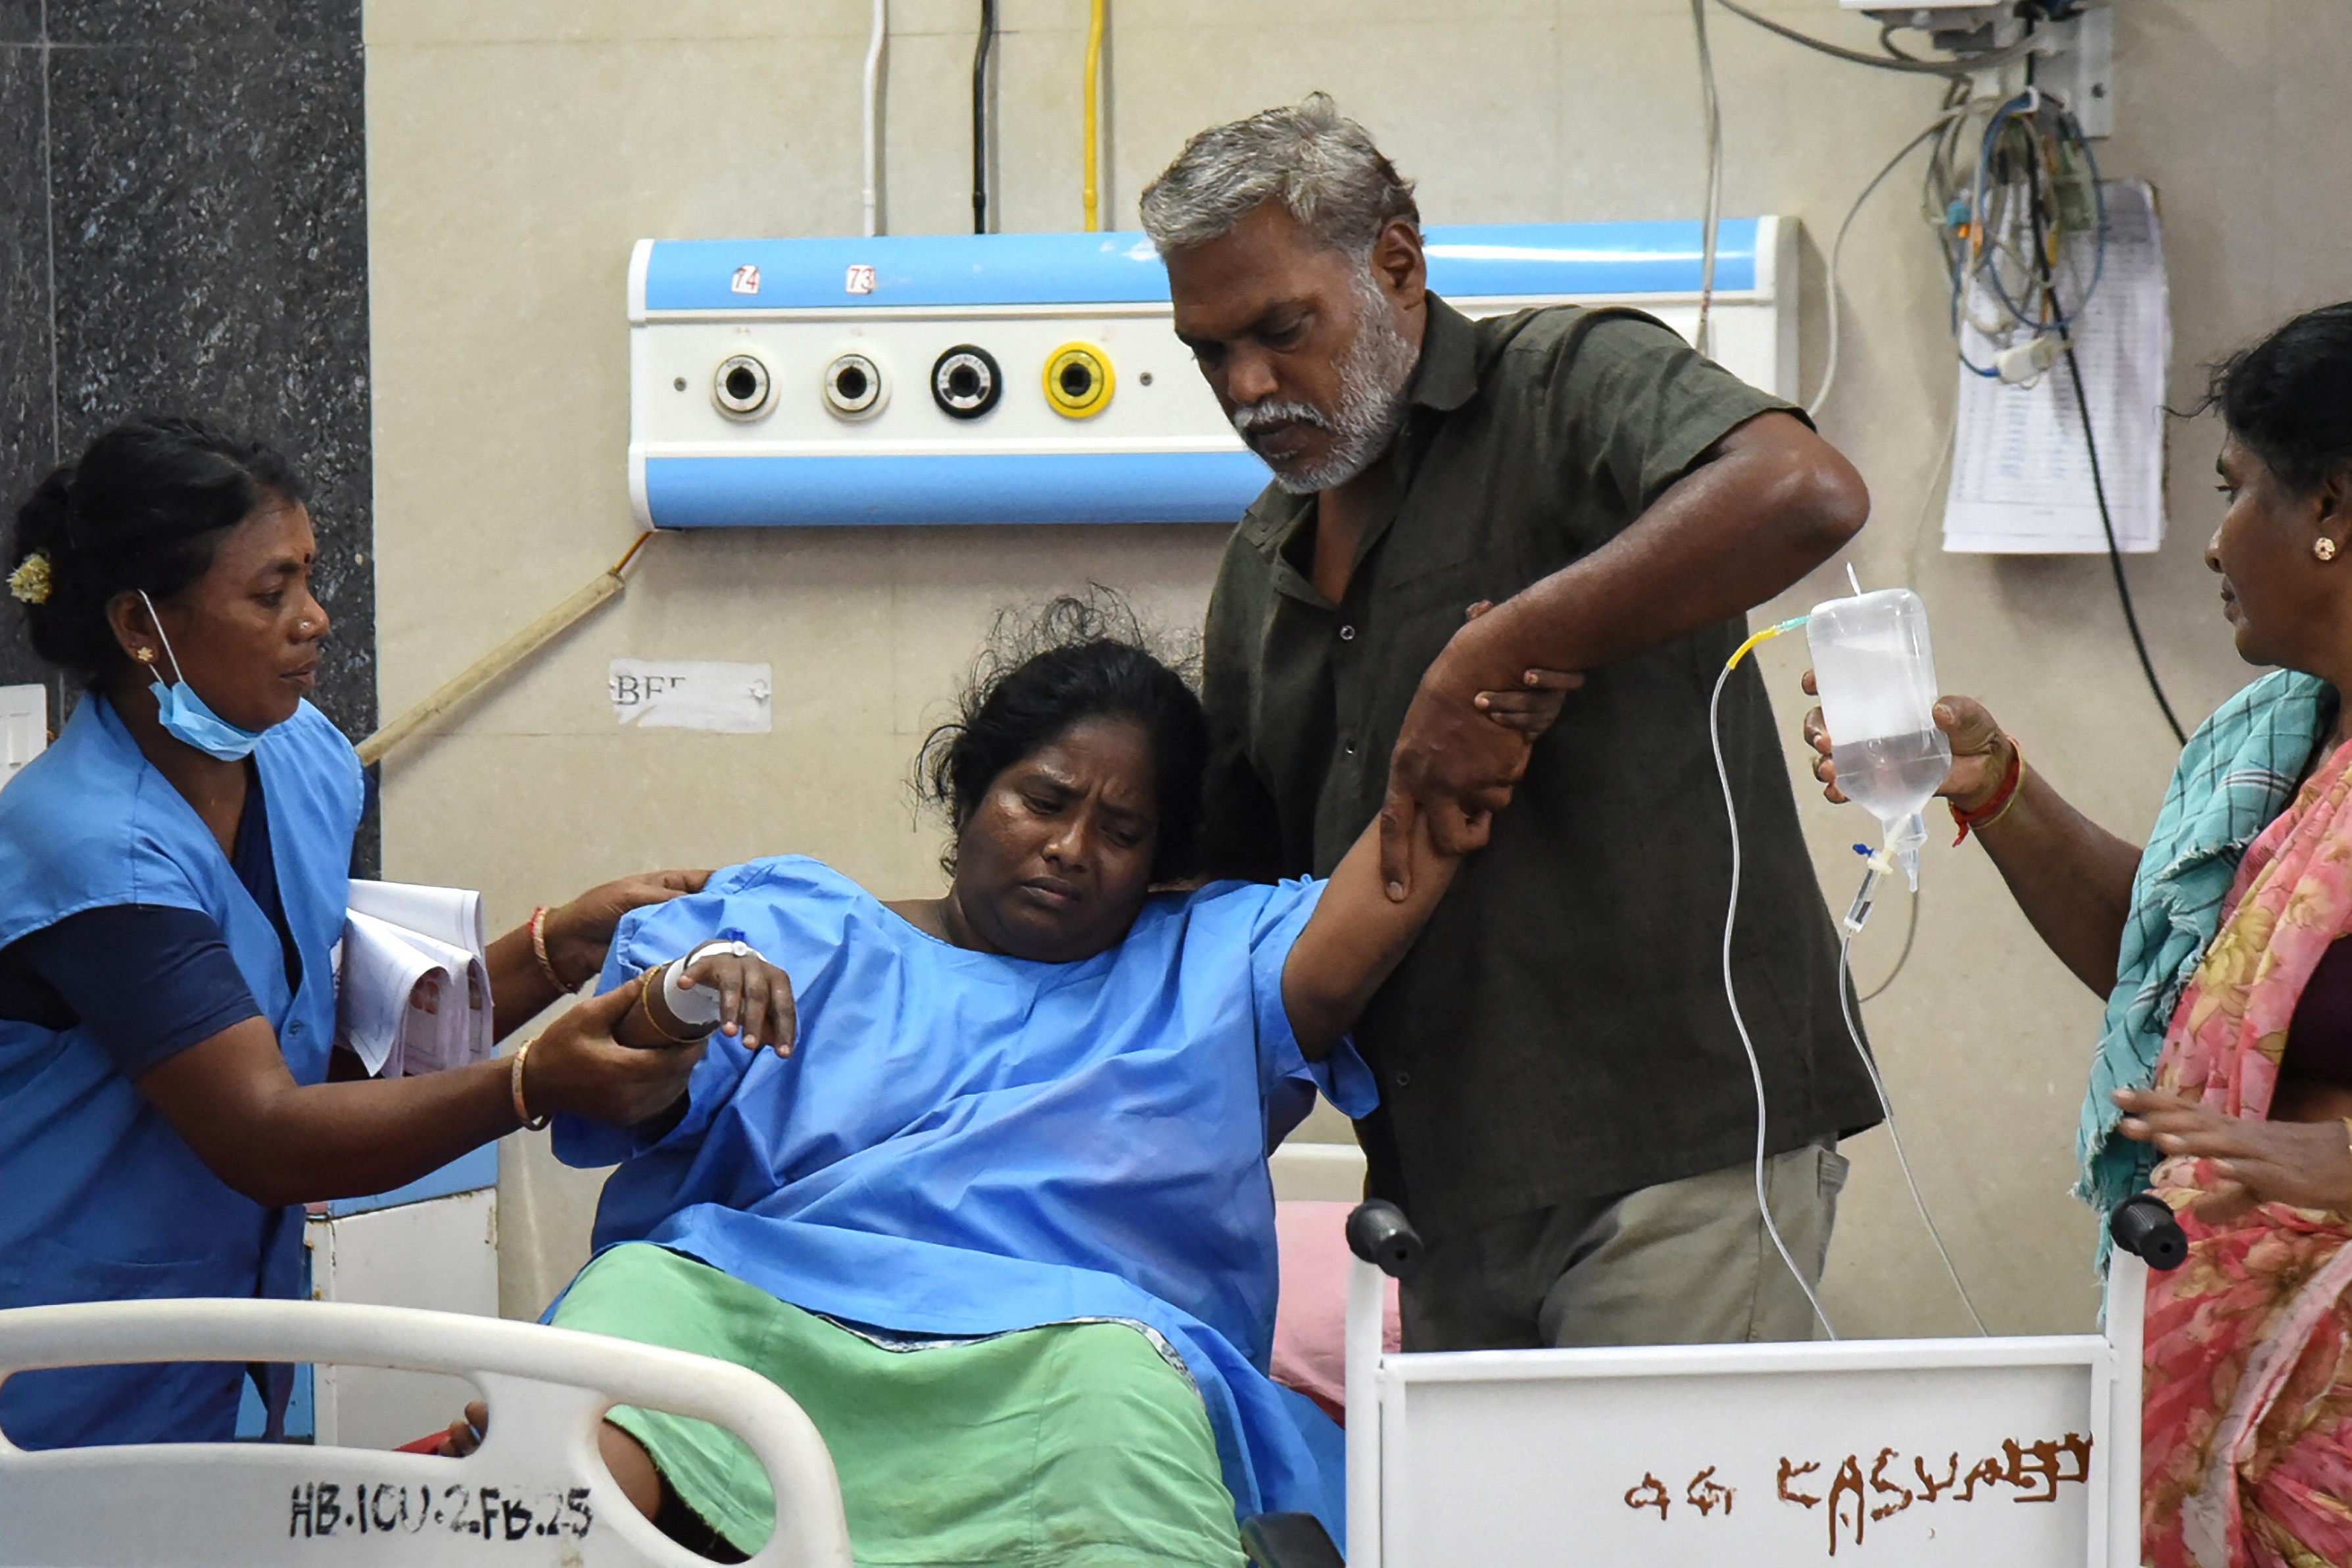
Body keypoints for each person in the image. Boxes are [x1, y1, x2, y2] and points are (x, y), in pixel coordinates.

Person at [451, 597, 1570, 1565]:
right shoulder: (788, 925)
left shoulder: (1215, 962)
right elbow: (630, 1075)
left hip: (1068, 1358)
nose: (1071, 847)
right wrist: (682, 997)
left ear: (1162, 862)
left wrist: (1457, 745)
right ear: (967, 793)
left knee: (1120, 1401)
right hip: (755, 1315)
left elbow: (1392, 867)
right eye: (1043, 800)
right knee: (624, 1313)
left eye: (1121, 829)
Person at [1138, 95, 1884, 1353]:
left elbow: (1802, 492)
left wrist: (1500, 645)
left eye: (1279, 331)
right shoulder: (1260, 566)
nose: (1248, 388)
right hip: (1436, 1193)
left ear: (1396, 263)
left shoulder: (1567, 389)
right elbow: (1236, 904)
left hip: (1674, 1154)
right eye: (1210, 353)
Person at [0, 416, 764, 1451]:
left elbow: (341, 1050)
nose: (313, 620)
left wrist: (560, 949)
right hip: (57, 1346)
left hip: (220, 1328)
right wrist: (534, 1082)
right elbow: (267, 1132)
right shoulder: (93, 847)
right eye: (271, 594)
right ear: (143, 626)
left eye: (311, 579)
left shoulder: (300, 758)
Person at [1804, 303, 2352, 1568]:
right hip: (2217, 1366)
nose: (2213, 544)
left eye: (2236, 494)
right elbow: (2173, 973)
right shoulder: (2275, 744)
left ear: (2330, 502)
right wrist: (1990, 784)